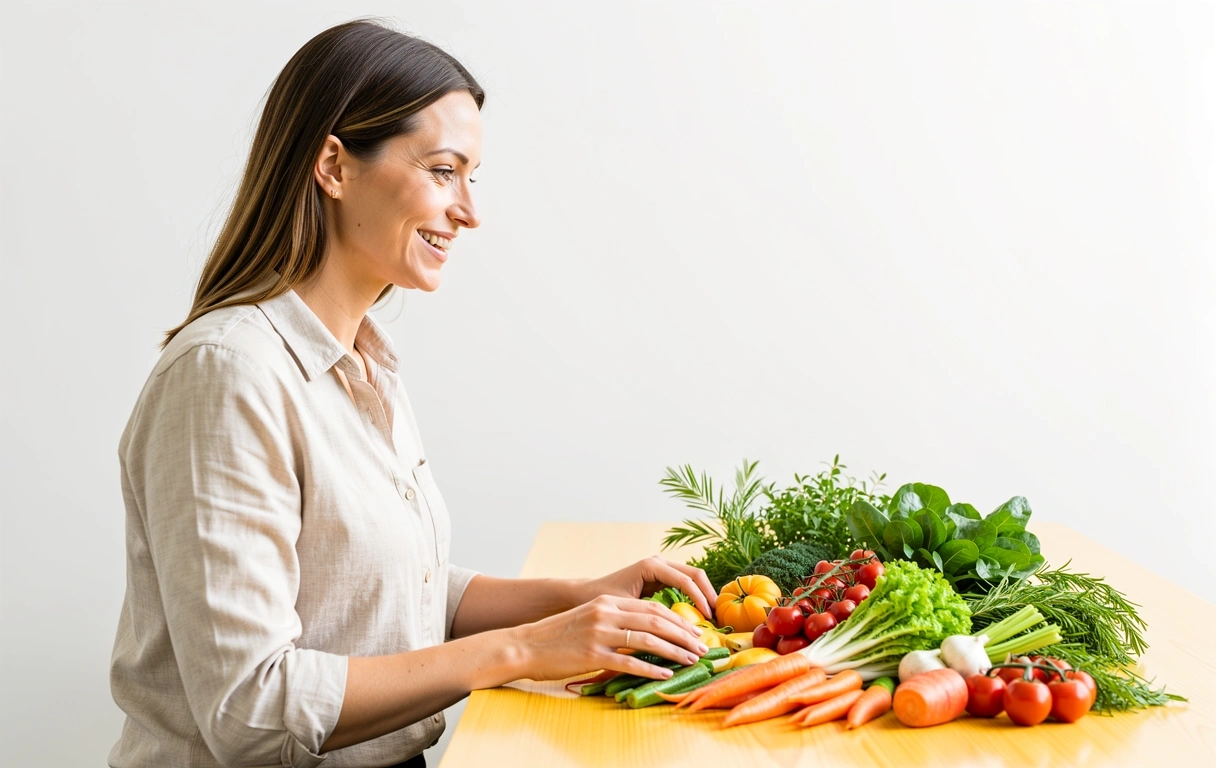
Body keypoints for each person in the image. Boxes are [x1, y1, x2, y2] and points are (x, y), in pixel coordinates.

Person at [107, 18, 717, 768]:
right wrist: (526, 648)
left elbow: (385, 590)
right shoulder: (227, 376)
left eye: (472, 177)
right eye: (442, 171)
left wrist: (579, 596)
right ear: (333, 165)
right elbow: (251, 707)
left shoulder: (365, 361)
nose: (469, 210)